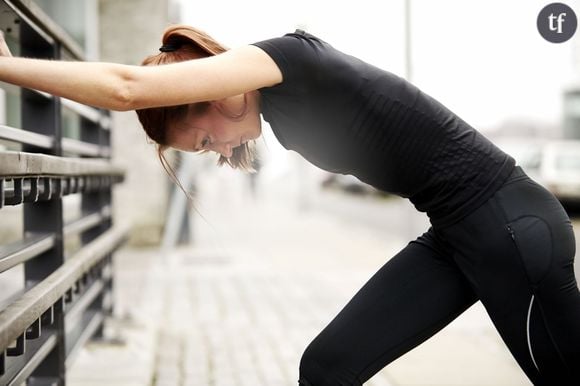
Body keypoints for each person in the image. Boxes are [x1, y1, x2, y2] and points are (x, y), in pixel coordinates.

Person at [0, 25, 578, 386]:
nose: (218, 149)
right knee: (327, 368)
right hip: (459, 234)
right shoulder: (282, 117)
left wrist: (7, 67)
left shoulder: (285, 60)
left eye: (202, 141)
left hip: (509, 227)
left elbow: (124, 87)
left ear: (202, 96)